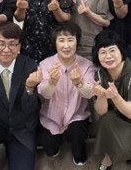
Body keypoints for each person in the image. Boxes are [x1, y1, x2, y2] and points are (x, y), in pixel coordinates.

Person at [0, 22, 42, 170]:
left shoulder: (30, 66)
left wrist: (29, 88)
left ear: (19, 46)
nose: (6, 49)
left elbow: (30, 109)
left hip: (21, 128)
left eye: (12, 44)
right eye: (1, 44)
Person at [37, 22, 95, 166]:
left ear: (77, 42)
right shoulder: (45, 64)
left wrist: (79, 83)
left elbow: (89, 94)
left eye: (70, 40)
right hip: (51, 117)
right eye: (61, 40)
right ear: (55, 43)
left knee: (77, 136)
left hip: (76, 115)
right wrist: (52, 82)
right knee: (50, 148)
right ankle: (56, 141)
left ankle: (79, 150)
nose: (66, 45)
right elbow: (44, 94)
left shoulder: (86, 65)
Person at [92, 30, 131, 169]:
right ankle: (108, 157)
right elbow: (101, 111)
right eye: (103, 52)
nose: (108, 56)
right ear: (97, 55)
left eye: (112, 50)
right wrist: (101, 96)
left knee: (127, 150)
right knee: (105, 119)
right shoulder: (100, 75)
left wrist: (116, 97)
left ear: (121, 51)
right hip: (117, 119)